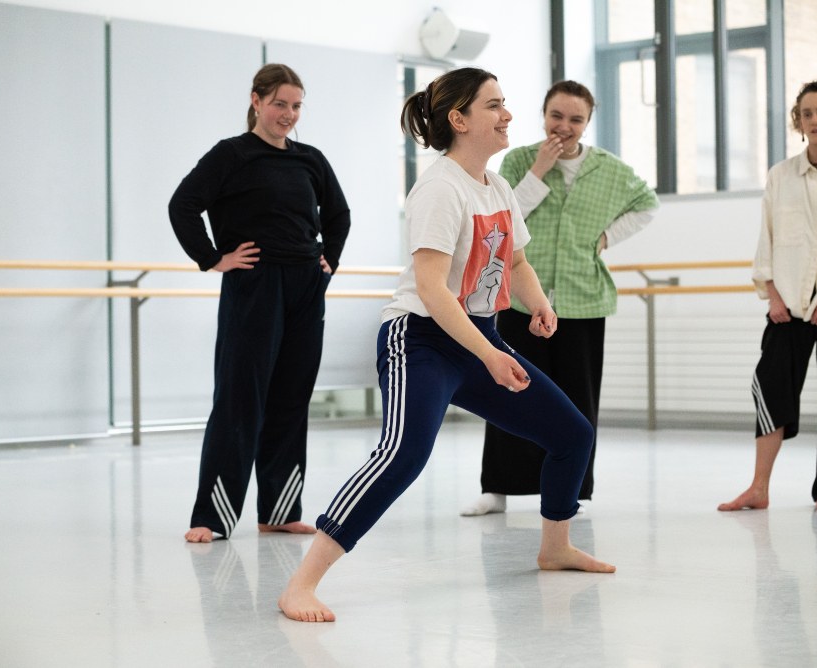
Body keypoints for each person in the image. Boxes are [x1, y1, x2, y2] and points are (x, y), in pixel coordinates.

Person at [278, 67, 615, 623]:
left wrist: (540, 304)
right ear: (459, 119)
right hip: (419, 340)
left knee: (571, 434)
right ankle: (301, 584)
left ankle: (555, 547)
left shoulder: (497, 186)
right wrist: (490, 355)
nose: (508, 114)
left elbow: (517, 261)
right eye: (494, 105)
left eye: (504, 103)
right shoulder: (439, 188)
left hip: (478, 335)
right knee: (402, 455)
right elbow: (433, 289)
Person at [168, 63, 351, 542]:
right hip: (255, 286)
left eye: (296, 106)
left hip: (306, 287)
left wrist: (328, 259)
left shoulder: (310, 159)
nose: (288, 114)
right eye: (279, 104)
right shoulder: (231, 154)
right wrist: (213, 258)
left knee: (291, 398)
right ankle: (211, 518)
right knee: (239, 399)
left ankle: (280, 510)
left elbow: (338, 214)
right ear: (256, 101)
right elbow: (182, 205)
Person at [462, 80, 659, 517]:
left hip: (582, 300)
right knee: (508, 391)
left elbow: (647, 203)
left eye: (575, 119)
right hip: (519, 298)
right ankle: (498, 487)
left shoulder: (609, 169)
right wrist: (539, 171)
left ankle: (572, 493)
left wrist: (606, 238)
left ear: (588, 122)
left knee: (577, 400)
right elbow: (505, 218)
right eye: (556, 116)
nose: (564, 126)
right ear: (543, 115)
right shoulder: (517, 160)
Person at [718, 79, 817, 512]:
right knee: (771, 387)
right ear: (799, 121)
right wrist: (772, 295)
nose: (814, 120)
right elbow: (767, 241)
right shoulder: (781, 175)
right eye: (806, 113)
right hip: (787, 304)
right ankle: (759, 487)